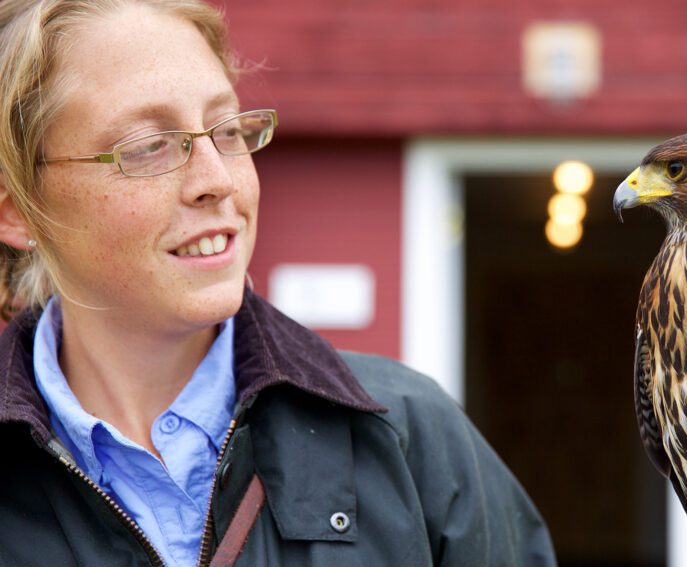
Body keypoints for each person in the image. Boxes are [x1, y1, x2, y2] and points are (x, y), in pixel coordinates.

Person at [0, 1, 556, 565]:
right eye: (150, 146)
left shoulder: (407, 437)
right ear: (17, 210)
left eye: (228, 130)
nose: (217, 180)